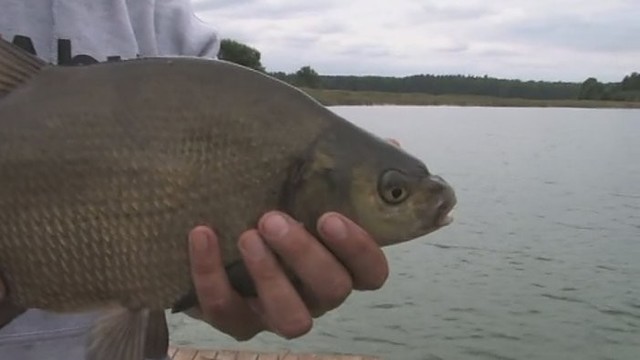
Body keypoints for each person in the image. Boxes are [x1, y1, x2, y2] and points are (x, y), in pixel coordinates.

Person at [0, 1, 393, 359]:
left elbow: (188, 247)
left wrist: (247, 292)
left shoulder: (171, 32)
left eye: (393, 193)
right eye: (392, 192)